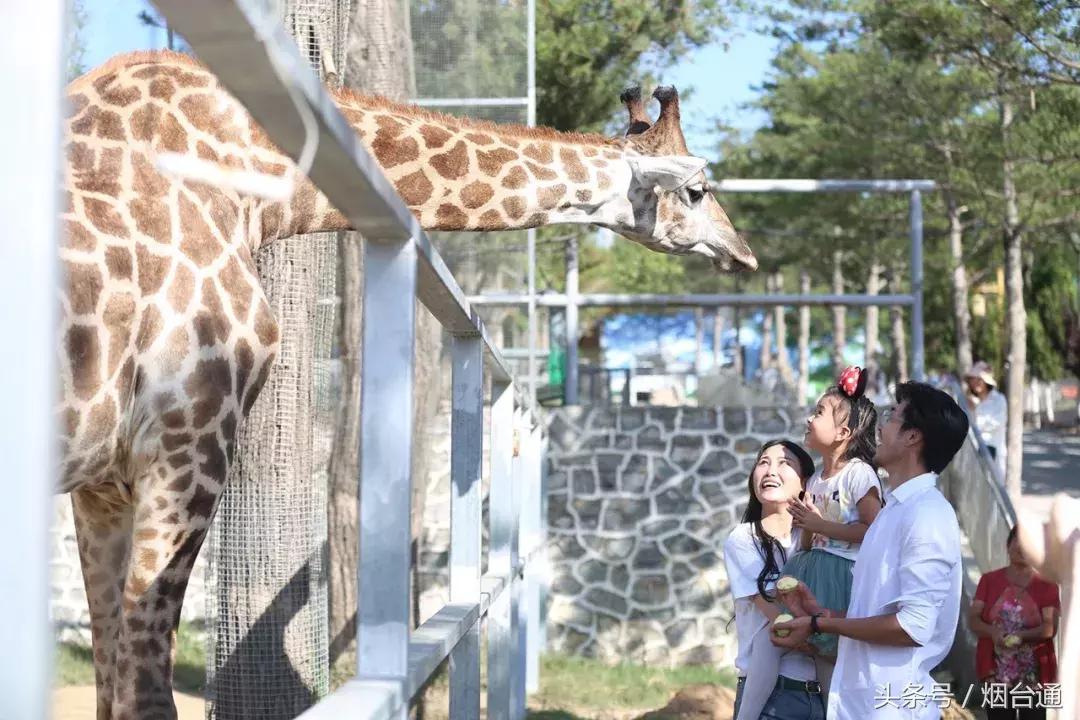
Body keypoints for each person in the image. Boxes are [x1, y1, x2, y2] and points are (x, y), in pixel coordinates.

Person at [772, 381, 970, 720]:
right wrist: (822, 613)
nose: (880, 424)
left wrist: (821, 624)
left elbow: (911, 627)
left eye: (893, 416)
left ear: (912, 437)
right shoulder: (893, 511)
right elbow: (877, 612)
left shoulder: (927, 515)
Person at [780, 365, 883, 696]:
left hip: (843, 579)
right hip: (813, 571)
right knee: (823, 664)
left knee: (844, 662)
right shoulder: (814, 481)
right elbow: (810, 541)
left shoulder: (858, 474)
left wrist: (819, 523)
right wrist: (807, 524)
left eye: (820, 413)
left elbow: (872, 530)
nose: (810, 419)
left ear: (843, 433)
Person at [723, 440, 824, 720]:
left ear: (805, 482)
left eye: (784, 463)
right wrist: (823, 635)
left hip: (821, 698)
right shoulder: (744, 539)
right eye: (763, 462)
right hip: (772, 701)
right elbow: (779, 618)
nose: (770, 470)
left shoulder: (822, 538)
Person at [969, 525, 1060, 720]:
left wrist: (1020, 636)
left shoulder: (1047, 585)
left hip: (1033, 675)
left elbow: (1049, 628)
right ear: (1008, 545)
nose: (1023, 548)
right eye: (1018, 541)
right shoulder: (989, 580)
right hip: (995, 673)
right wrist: (993, 632)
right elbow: (973, 620)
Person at [964, 361, 1007, 477]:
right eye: (973, 379)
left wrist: (975, 412)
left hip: (992, 454)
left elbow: (996, 423)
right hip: (973, 456)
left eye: (979, 379)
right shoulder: (969, 402)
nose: (975, 383)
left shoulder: (999, 400)